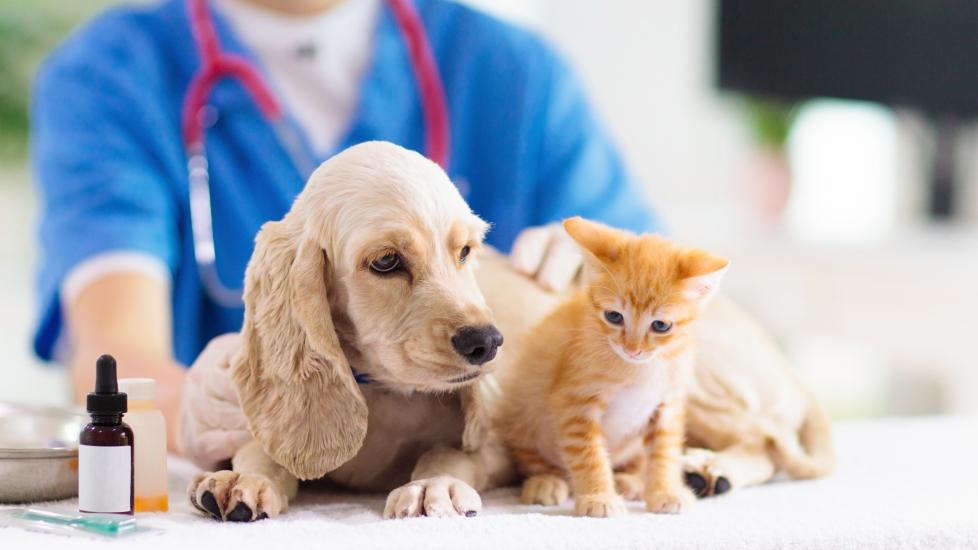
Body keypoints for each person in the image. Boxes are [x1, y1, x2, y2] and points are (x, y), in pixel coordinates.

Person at [31, 0, 657, 451]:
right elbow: (113, 351)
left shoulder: (515, 73)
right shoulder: (110, 73)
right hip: (254, 478)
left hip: (474, 470)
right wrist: (188, 410)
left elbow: (668, 296)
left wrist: (604, 284)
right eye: (389, 261)